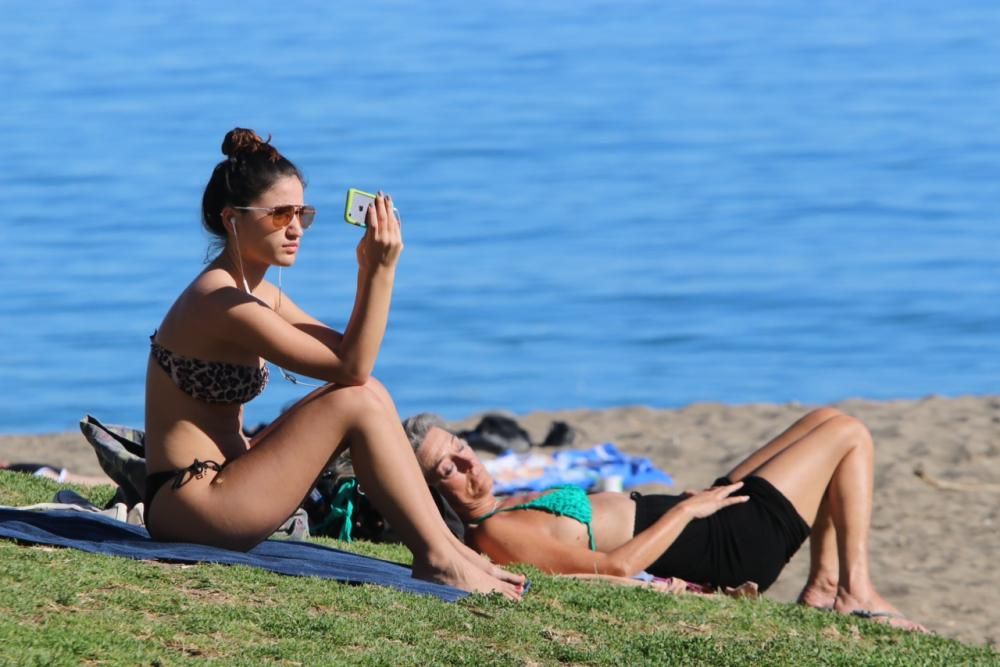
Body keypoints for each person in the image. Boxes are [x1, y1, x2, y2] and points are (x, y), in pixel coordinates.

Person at [143, 128, 523, 598]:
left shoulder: (255, 292)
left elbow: (349, 359)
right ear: (232, 219)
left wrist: (374, 270)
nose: (296, 227)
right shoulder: (218, 302)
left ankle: (448, 547)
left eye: (303, 213)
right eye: (281, 214)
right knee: (359, 397)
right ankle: (439, 558)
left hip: (223, 490)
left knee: (370, 395)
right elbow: (351, 367)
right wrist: (377, 271)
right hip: (192, 507)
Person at [404, 408, 927, 631]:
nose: (468, 463)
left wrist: (688, 504)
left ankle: (823, 584)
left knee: (823, 420)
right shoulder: (494, 531)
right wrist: (685, 509)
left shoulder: (501, 508)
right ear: (433, 493)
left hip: (701, 518)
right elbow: (613, 567)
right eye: (447, 468)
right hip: (723, 544)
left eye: (461, 447)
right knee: (850, 434)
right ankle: (852, 590)